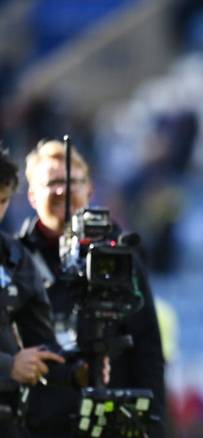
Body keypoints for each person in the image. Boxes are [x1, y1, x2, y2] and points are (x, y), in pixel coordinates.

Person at [17, 140, 166, 437]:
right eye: (53, 182)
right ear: (32, 195)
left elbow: (147, 345)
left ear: (90, 190)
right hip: (37, 423)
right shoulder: (14, 258)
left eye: (74, 182)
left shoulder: (118, 253)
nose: (64, 191)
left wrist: (153, 424)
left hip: (111, 418)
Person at [0, 149, 68, 437]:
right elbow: (14, 365)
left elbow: (41, 341)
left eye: (2, 201)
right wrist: (7, 366)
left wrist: (75, 368)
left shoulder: (13, 255)